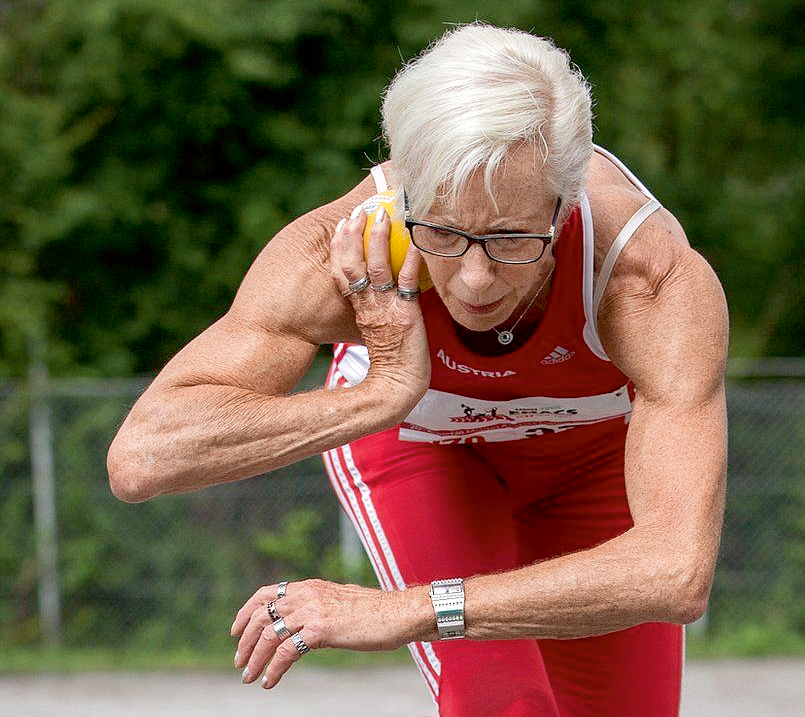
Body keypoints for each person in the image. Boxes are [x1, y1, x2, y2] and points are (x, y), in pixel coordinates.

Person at [107, 22, 728, 717]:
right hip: (421, 451)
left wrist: (408, 610)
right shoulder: (342, 251)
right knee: (505, 704)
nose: (475, 277)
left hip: (588, 464)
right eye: (443, 231)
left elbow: (676, 570)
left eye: (511, 238)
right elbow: (144, 457)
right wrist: (384, 390)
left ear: (563, 205)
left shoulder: (642, 277)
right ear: (406, 191)